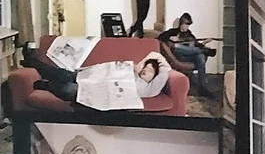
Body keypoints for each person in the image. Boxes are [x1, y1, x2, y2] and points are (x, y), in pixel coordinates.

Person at [22, 49, 171, 105]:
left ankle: (46, 85)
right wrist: (141, 65)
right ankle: (32, 61)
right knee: (66, 74)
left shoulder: (150, 88)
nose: (145, 70)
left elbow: (164, 65)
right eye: (145, 67)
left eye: (150, 71)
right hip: (94, 80)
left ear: (155, 77)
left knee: (69, 89)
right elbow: (153, 54)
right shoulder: (131, 72)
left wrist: (148, 63)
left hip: (98, 92)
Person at [160, 13, 215, 97]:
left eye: (188, 25)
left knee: (200, 56)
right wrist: (170, 38)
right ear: (181, 23)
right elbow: (160, 37)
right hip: (178, 56)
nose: (187, 27)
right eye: (186, 24)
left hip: (189, 56)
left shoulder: (190, 35)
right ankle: (204, 51)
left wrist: (204, 43)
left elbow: (196, 45)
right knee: (177, 46)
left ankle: (203, 88)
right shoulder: (173, 31)